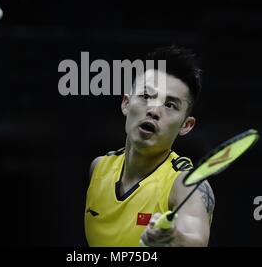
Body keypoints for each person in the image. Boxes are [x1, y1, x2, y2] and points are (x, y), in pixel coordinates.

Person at [84, 45, 215, 247]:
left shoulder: (187, 183)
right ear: (126, 103)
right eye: (146, 96)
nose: (154, 110)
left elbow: (195, 238)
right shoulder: (99, 168)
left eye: (170, 105)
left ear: (186, 125)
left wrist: (172, 238)